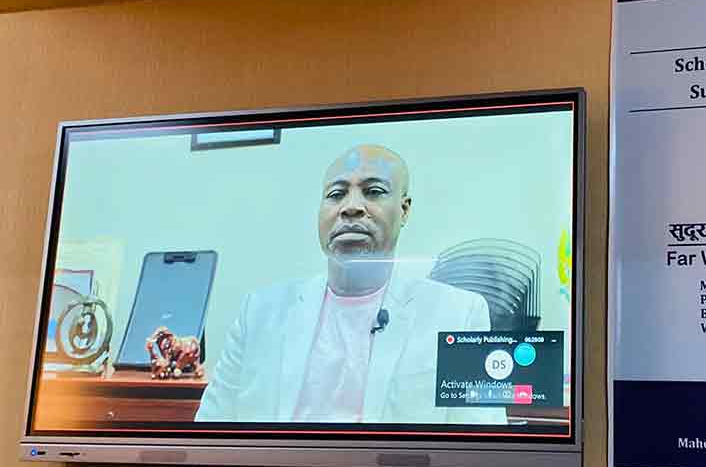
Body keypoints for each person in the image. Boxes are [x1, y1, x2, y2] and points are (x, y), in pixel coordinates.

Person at [195, 145, 505, 425]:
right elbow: (209, 428)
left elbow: (485, 445)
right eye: (336, 194)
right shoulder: (260, 312)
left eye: (373, 191)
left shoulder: (461, 314)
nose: (351, 207)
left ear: (405, 209)